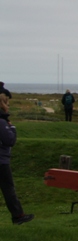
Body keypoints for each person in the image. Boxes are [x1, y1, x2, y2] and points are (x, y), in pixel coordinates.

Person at [0, 94, 34, 225]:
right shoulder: (2, 122)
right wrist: (13, 128)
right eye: (7, 104)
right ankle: (18, 216)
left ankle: (18, 215)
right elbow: (10, 140)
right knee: (8, 189)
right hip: (1, 161)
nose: (8, 107)